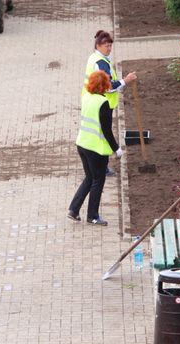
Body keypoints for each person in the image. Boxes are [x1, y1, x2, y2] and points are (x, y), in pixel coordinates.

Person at [68, 71, 122, 226]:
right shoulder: (103, 103)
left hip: (82, 144)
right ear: (104, 85)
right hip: (96, 149)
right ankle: (92, 216)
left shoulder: (86, 97)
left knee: (89, 177)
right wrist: (116, 148)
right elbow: (106, 130)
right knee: (98, 180)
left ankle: (74, 209)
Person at [83, 30, 136, 176]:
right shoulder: (100, 62)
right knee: (103, 133)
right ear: (98, 45)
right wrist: (126, 80)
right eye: (106, 45)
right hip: (101, 103)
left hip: (91, 100)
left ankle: (97, 164)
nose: (109, 48)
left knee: (98, 132)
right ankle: (102, 166)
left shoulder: (94, 58)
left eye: (110, 45)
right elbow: (109, 87)